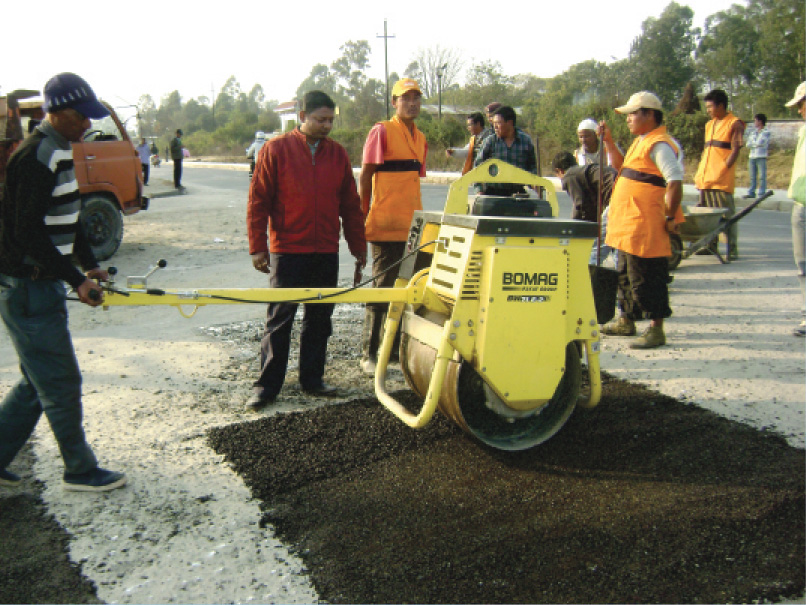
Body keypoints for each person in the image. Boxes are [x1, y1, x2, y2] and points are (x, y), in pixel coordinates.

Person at [0, 72, 126, 491]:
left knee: (38, 381)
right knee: (60, 381)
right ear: (56, 111)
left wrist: (89, 265)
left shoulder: (61, 149)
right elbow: (27, 233)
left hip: (42, 283)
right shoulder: (35, 157)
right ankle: (79, 470)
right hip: (28, 287)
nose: (88, 124)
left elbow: (68, 217)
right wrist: (75, 280)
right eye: (80, 116)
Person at [247, 91, 366, 410]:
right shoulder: (276, 150)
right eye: (320, 119)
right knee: (280, 318)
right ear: (302, 117)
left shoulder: (337, 154)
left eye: (330, 120)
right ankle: (267, 386)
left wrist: (358, 246)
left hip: (325, 250)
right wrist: (258, 247)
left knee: (319, 318)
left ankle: (312, 380)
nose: (327, 125)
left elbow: (350, 205)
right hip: (288, 250)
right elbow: (258, 200)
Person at [599, 91, 684, 349]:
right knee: (625, 274)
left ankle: (656, 329)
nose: (628, 119)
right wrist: (609, 142)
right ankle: (626, 320)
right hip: (627, 224)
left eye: (632, 114)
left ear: (649, 115)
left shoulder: (659, 144)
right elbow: (621, 168)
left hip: (644, 224)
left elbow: (675, 181)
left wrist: (670, 215)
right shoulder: (641, 141)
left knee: (647, 277)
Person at [359, 78, 427, 375]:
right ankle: (370, 354)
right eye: (405, 98)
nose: (412, 103)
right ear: (394, 102)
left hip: (413, 228)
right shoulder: (382, 131)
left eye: (416, 98)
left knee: (409, 291)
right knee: (382, 290)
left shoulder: (420, 138)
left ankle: (396, 351)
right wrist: (362, 214)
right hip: (386, 225)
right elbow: (365, 176)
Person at [694, 89, 745, 259]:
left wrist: (723, 169)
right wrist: (700, 174)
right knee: (706, 215)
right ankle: (710, 245)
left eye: (710, 107)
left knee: (726, 216)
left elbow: (735, 150)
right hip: (705, 178)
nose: (707, 110)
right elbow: (707, 151)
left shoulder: (734, 123)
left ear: (721, 105)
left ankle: (732, 249)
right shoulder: (710, 125)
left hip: (721, 180)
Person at [551, 150, 615, 264]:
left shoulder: (569, 175)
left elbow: (580, 206)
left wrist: (572, 230)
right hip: (625, 194)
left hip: (616, 200)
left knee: (596, 248)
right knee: (617, 243)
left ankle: (587, 272)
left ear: (559, 171)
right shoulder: (583, 172)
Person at [474, 105, 537, 196]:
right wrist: (479, 190)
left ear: (510, 123)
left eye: (498, 123)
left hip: (518, 194)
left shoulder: (525, 141)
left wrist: (534, 184)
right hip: (493, 193)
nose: (495, 127)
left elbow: (532, 167)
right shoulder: (490, 141)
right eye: (494, 123)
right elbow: (478, 167)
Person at [785, 82, 806, 337]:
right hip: (801, 206)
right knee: (803, 266)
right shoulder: (803, 132)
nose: (799, 111)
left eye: (801, 105)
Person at [744, 113, 770, 199]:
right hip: (752, 156)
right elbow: (748, 144)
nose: (754, 122)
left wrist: (753, 144)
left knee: (762, 176)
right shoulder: (753, 133)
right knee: (752, 176)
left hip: (761, 156)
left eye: (755, 120)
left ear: (760, 121)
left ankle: (762, 193)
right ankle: (751, 192)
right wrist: (755, 144)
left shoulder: (766, 132)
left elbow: (761, 142)